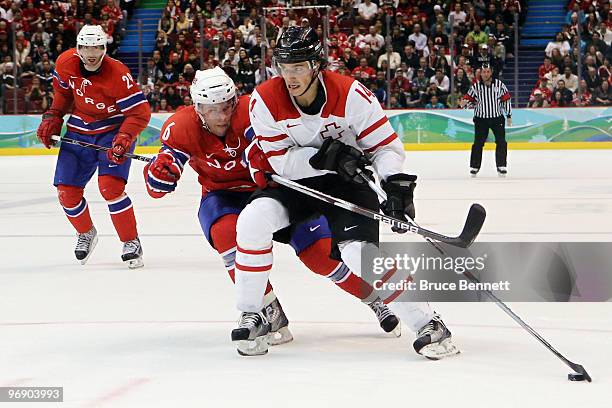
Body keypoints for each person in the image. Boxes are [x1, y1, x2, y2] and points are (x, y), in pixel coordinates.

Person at [231, 26, 458, 359]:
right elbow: (279, 162)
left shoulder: (351, 94)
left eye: (298, 67)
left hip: (348, 183)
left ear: (316, 64)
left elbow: (385, 147)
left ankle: (429, 323)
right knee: (252, 222)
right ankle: (252, 313)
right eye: (284, 67)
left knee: (357, 254)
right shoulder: (265, 100)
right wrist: (327, 158)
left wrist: (394, 185)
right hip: (298, 182)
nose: (290, 76)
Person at [144, 67, 401, 351]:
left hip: (275, 191)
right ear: (197, 107)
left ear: (234, 100)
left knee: (320, 256)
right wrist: (160, 176)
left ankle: (373, 298)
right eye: (210, 109)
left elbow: (275, 153)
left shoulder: (252, 109)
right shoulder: (180, 126)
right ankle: (265, 311)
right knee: (227, 233)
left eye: (226, 106)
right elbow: (156, 188)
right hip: (223, 195)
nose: (220, 116)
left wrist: (262, 162)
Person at [36, 25, 150, 268]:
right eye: (86, 47)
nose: (90, 52)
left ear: (104, 48)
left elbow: (139, 113)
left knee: (111, 188)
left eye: (96, 47)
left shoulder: (117, 73)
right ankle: (86, 232)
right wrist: (54, 116)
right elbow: (62, 94)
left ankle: (131, 241)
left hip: (111, 131)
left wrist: (124, 138)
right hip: (79, 129)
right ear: (78, 48)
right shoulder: (65, 63)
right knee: (66, 192)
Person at [460, 63, 512, 177]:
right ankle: (475, 166)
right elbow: (467, 101)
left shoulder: (500, 85)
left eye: (488, 71)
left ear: (491, 72)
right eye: (484, 72)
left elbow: (506, 100)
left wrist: (508, 115)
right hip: (480, 120)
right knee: (478, 143)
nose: (486, 74)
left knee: (501, 142)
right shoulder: (475, 87)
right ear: (480, 73)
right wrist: (463, 104)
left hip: (497, 118)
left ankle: (501, 165)